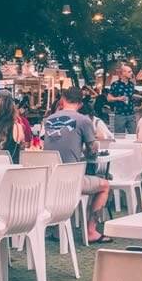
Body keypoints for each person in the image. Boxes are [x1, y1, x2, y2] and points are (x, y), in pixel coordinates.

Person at [43, 87, 111, 242]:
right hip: (70, 181)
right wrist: (89, 152)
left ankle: (56, 229)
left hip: (49, 179)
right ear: (80, 104)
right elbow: (92, 149)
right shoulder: (83, 120)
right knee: (105, 185)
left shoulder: (49, 120)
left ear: (62, 100)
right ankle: (92, 231)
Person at [107, 63, 137, 134]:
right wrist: (118, 98)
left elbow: (131, 97)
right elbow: (109, 98)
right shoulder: (115, 84)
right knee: (119, 136)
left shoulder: (131, 85)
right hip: (120, 114)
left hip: (131, 114)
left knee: (133, 135)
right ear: (123, 73)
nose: (131, 73)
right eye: (129, 72)